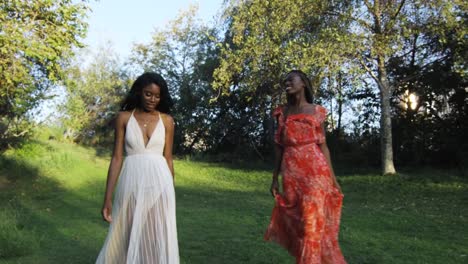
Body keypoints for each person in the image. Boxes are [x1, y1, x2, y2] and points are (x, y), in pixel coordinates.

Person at [96, 72, 179, 264]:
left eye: (157, 96)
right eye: (148, 94)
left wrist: (170, 192)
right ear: (139, 93)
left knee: (153, 237)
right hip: (131, 182)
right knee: (124, 235)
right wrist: (107, 198)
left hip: (160, 185)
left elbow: (168, 159)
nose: (152, 99)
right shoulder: (124, 118)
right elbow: (117, 158)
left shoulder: (167, 121)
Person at [264, 70, 346, 264]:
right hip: (291, 174)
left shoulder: (316, 111)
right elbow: (279, 147)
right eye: (285, 81)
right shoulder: (282, 112)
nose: (287, 83)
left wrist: (333, 179)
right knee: (301, 226)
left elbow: (323, 146)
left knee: (312, 225)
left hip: (316, 173)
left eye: (291, 80)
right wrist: (275, 178)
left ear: (303, 83)